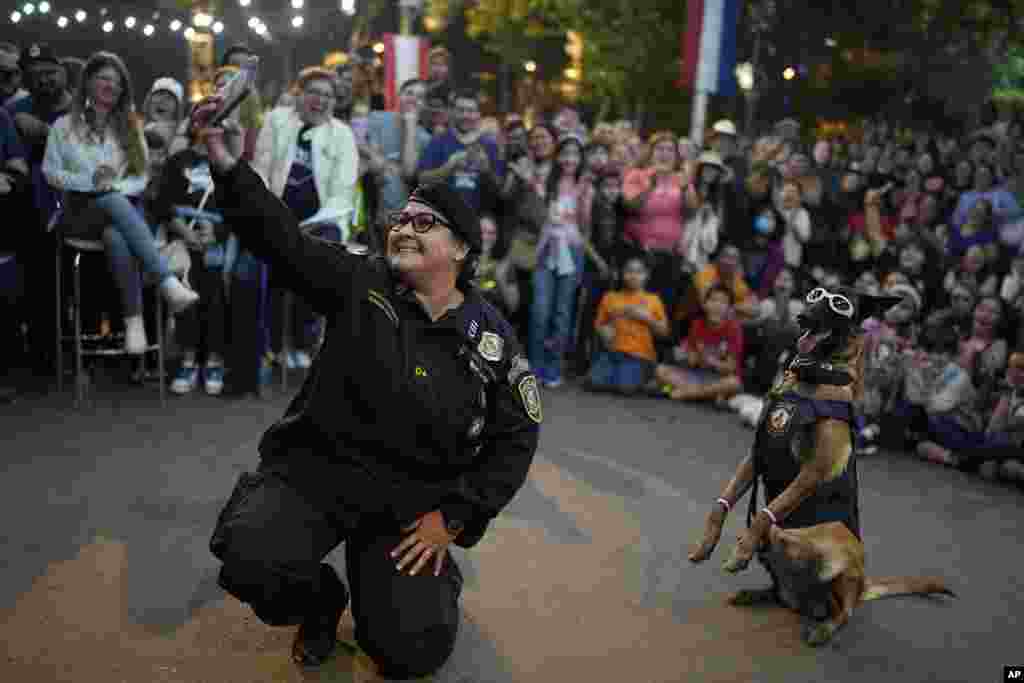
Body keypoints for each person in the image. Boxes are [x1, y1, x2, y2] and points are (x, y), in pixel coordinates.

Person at [193, 98, 541, 678]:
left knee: (410, 650)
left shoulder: (491, 339)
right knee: (251, 558)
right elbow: (281, 238)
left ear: (460, 248)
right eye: (401, 219)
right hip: (318, 473)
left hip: (408, 503)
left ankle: (405, 585)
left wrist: (453, 516)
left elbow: (517, 436)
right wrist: (226, 162)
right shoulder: (358, 279)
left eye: (423, 223)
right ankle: (323, 601)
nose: (404, 227)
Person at [42, 51, 198, 353]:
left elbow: (141, 178)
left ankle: (133, 324)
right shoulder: (63, 125)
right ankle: (166, 282)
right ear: (87, 81)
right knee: (110, 199)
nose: (109, 85)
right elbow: (50, 172)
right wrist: (91, 184)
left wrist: (114, 186)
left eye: (116, 81)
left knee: (115, 233)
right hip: (77, 213)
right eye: (103, 78)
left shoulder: (130, 125)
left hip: (120, 214)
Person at [253, 66, 359, 369]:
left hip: (321, 221)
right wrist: (268, 212)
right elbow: (260, 171)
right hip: (274, 216)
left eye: (328, 96)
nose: (320, 100)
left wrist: (311, 224)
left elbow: (343, 194)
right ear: (299, 94)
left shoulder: (342, 135)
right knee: (266, 255)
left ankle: (301, 339)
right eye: (314, 92)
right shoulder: (277, 121)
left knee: (316, 257)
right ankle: (271, 342)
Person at [585, 254, 668, 394]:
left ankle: (643, 377)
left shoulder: (653, 300)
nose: (634, 276)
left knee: (625, 387)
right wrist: (604, 331)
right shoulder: (609, 297)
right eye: (629, 271)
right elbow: (599, 325)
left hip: (640, 356)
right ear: (621, 274)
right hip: (612, 354)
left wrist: (647, 318)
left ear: (646, 275)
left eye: (639, 272)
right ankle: (629, 379)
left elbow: (664, 332)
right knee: (593, 383)